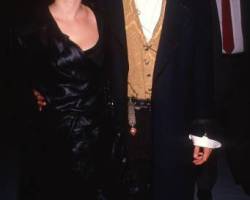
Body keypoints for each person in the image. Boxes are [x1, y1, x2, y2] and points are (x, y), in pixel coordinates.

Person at [36, 0, 221, 199]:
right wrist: (46, 86)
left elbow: (204, 63)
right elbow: (80, 46)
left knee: (172, 189)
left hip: (175, 121)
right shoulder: (102, 4)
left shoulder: (196, 4)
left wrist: (204, 129)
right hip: (120, 121)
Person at [7, 0, 114, 199]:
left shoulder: (107, 17)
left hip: (103, 148)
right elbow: (12, 82)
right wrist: (28, 96)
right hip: (54, 152)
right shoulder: (30, 26)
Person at [211, 0, 250, 195]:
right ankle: (205, 187)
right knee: (209, 128)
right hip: (212, 66)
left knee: (242, 124)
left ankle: (244, 177)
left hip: (242, 65)